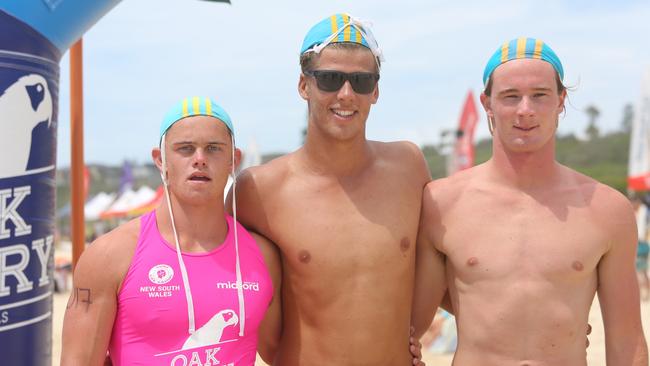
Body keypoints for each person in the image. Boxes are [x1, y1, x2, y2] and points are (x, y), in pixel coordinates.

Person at [412, 37, 649, 365]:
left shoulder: (608, 210)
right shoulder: (442, 203)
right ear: (487, 103)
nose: (526, 110)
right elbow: (410, 326)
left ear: (561, 100)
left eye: (540, 95)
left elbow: (626, 340)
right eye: (510, 97)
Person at [229, 13, 431, 365]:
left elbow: (452, 259)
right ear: (304, 86)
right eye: (330, 79)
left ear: (376, 91)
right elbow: (197, 260)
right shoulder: (259, 189)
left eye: (362, 81)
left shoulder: (408, 167)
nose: (346, 94)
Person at [61, 97, 282, 365]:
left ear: (233, 160)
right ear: (160, 159)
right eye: (185, 149)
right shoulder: (110, 255)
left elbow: (280, 353)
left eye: (213, 148)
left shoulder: (262, 256)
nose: (199, 159)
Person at [634, 197, 650, 301]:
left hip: (641, 243)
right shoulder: (643, 211)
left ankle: (645, 293)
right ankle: (646, 292)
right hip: (642, 243)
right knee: (642, 270)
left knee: (640, 270)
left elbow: (641, 231)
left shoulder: (642, 211)